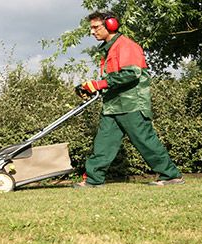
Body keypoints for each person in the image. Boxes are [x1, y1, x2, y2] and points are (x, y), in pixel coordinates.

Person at [73, 11, 184, 188]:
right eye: (91, 28)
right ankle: (94, 180)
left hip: (132, 103)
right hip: (113, 105)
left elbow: (131, 73)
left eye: (95, 27)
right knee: (103, 143)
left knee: (145, 141)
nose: (92, 32)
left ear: (110, 24)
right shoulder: (108, 49)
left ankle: (171, 175)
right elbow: (113, 78)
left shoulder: (126, 45)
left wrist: (100, 84)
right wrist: (90, 87)